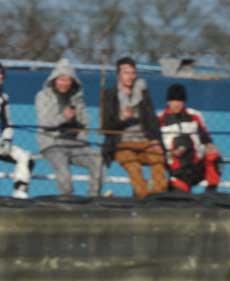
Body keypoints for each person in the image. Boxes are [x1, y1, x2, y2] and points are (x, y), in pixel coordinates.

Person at [34, 58, 104, 196]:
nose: (64, 83)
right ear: (54, 80)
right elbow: (44, 123)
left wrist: (81, 131)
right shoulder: (43, 96)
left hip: (75, 143)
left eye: (68, 80)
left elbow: (85, 123)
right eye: (61, 79)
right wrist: (63, 117)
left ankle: (94, 197)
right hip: (51, 142)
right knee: (64, 171)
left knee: (98, 160)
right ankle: (67, 200)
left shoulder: (77, 97)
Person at [101, 57, 166, 199]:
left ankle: (158, 197)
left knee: (158, 160)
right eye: (126, 72)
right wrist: (122, 119)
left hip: (144, 141)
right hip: (121, 143)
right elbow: (105, 126)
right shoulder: (110, 95)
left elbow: (152, 119)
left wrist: (156, 140)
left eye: (133, 73)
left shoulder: (143, 93)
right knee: (133, 166)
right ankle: (143, 198)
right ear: (119, 75)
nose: (130, 76)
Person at [158, 83, 222, 193]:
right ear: (168, 102)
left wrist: (209, 146)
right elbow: (157, 145)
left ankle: (211, 192)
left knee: (213, 155)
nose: (176, 104)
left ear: (184, 102)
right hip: (176, 165)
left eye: (180, 101)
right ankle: (177, 185)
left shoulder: (194, 115)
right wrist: (171, 152)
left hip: (196, 162)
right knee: (181, 197)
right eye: (173, 100)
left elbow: (205, 137)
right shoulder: (160, 118)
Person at [0, 62, 34, 198]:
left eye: (2, 75)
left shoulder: (3, 98)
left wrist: (7, 140)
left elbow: (8, 124)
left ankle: (19, 192)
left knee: (25, 157)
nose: (1, 77)